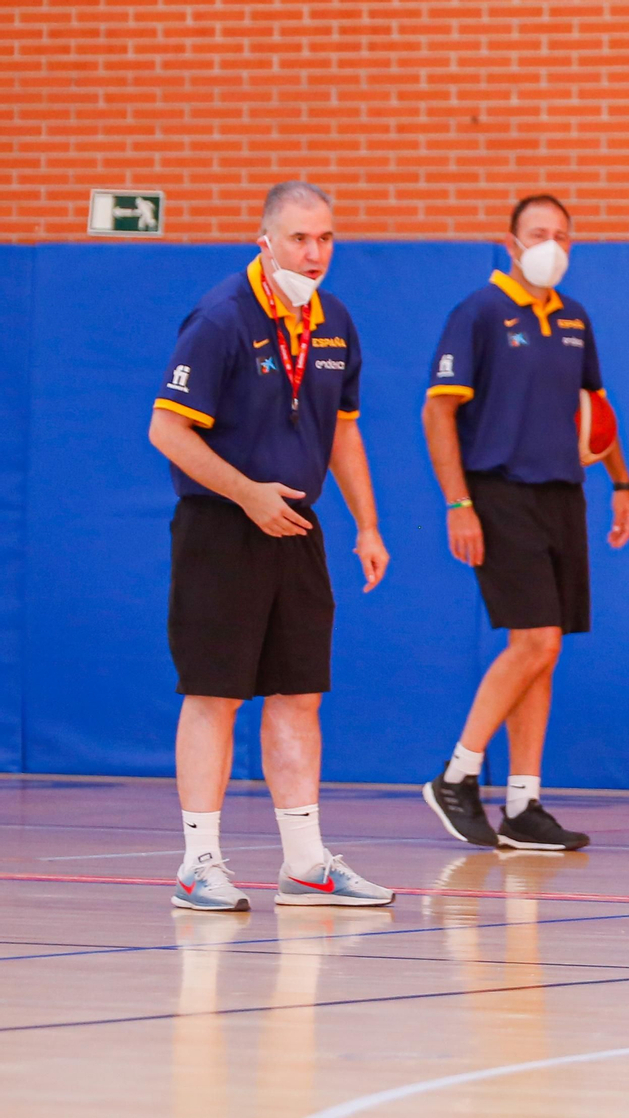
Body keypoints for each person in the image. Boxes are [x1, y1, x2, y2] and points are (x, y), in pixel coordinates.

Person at [149, 180, 394, 912]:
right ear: (266, 240)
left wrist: (367, 524)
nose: (313, 253)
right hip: (223, 527)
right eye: (298, 239)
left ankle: (306, 864)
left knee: (296, 695)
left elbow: (343, 429)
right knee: (215, 694)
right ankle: (199, 864)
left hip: (298, 529)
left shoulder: (335, 321)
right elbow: (167, 430)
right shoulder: (223, 317)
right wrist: (246, 493)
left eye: (324, 239)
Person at [420, 193, 629, 851]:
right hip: (499, 492)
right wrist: (459, 503)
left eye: (563, 235)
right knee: (535, 641)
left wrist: (620, 482)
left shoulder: (574, 318)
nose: (552, 244)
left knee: (546, 652)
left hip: (562, 494)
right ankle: (456, 775)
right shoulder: (479, 313)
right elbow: (438, 413)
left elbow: (597, 410)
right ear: (510, 244)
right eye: (539, 233)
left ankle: (522, 804)